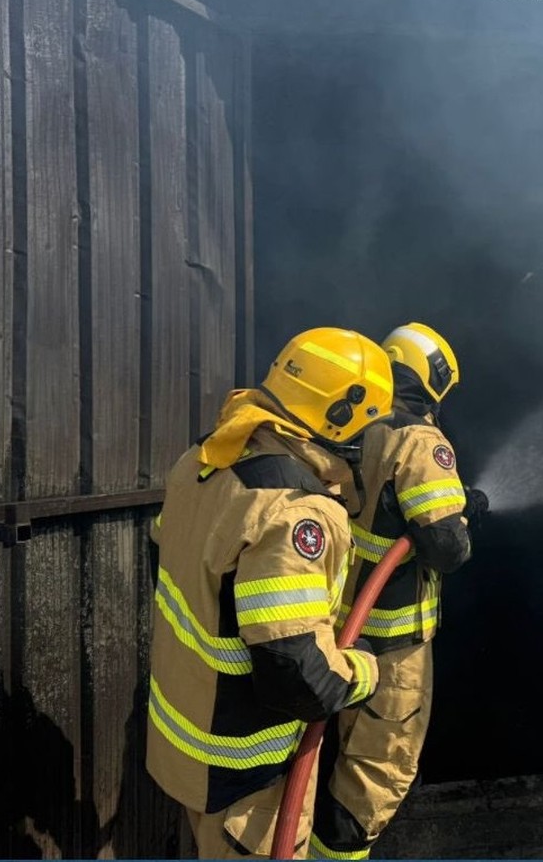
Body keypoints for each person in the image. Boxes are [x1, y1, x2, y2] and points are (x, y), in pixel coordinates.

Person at [147, 327, 394, 859]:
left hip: (185, 743)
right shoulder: (294, 511)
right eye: (370, 422)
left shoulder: (205, 460)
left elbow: (167, 561)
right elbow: (298, 676)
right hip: (245, 772)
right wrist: (364, 670)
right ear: (341, 413)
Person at [309, 322, 488, 860]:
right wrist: (464, 517)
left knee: (330, 750)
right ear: (434, 379)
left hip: (337, 627)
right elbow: (447, 548)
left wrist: (456, 502)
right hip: (393, 642)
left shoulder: (355, 426)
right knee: (382, 765)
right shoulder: (420, 440)